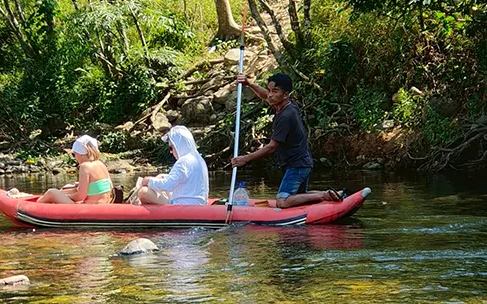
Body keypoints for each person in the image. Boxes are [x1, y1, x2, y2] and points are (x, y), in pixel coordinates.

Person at [230, 72, 343, 208]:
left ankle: (324, 195)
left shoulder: (286, 116)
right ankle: (333, 194)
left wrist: (245, 159)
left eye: (275, 91)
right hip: (301, 163)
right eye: (270, 90)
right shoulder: (287, 104)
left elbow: (271, 147)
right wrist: (249, 84)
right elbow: (265, 95)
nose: (270, 94)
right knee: (299, 196)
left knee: (283, 201)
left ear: (285, 94)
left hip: (297, 165)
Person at [135, 125, 209, 206]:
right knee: (162, 176)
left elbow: (169, 185)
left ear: (178, 145)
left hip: (183, 206)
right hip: (199, 204)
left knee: (144, 192)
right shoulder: (199, 160)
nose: (171, 152)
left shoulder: (183, 162)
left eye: (171, 148)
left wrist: (149, 181)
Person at [37, 135, 114, 204]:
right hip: (104, 204)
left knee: (52, 193)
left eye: (74, 154)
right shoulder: (101, 164)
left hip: (91, 207)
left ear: (81, 153)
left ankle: (36, 206)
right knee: (68, 186)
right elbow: (110, 188)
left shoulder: (85, 167)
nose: (75, 157)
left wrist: (67, 196)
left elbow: (81, 196)